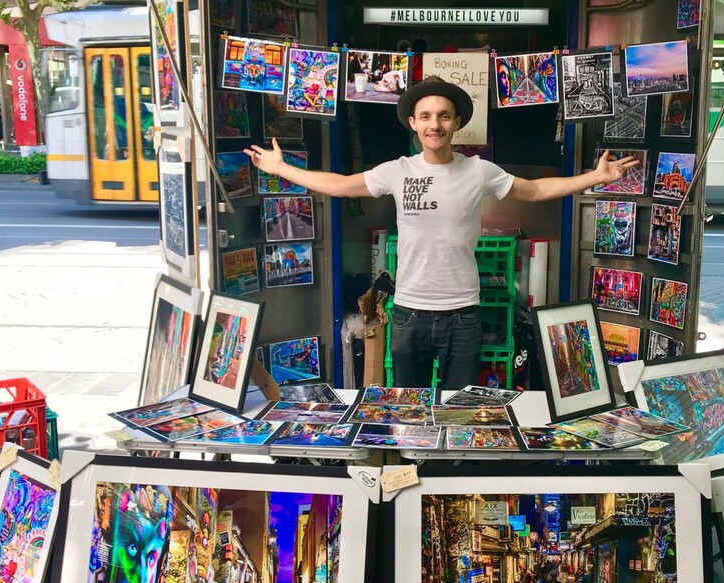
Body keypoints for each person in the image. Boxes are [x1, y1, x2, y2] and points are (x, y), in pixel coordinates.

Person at [245, 75, 637, 389]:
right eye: (427, 116)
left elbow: (534, 191)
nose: (436, 124)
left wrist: (594, 178)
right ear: (414, 124)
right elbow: (341, 184)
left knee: (460, 413)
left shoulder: (479, 170)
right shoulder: (397, 170)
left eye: (445, 116)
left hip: (463, 316)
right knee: (409, 412)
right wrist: (283, 170)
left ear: (457, 123)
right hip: (408, 315)